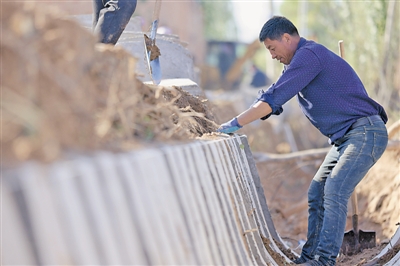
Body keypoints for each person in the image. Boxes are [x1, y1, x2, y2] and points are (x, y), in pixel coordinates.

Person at [217, 16, 388, 266]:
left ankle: (323, 260)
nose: (272, 56)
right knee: (317, 191)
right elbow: (273, 96)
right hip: (346, 138)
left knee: (335, 189)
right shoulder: (298, 63)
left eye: (272, 48)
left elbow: (272, 99)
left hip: (365, 132)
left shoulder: (309, 55)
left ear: (287, 38)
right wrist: (256, 110)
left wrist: (234, 123)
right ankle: (308, 258)